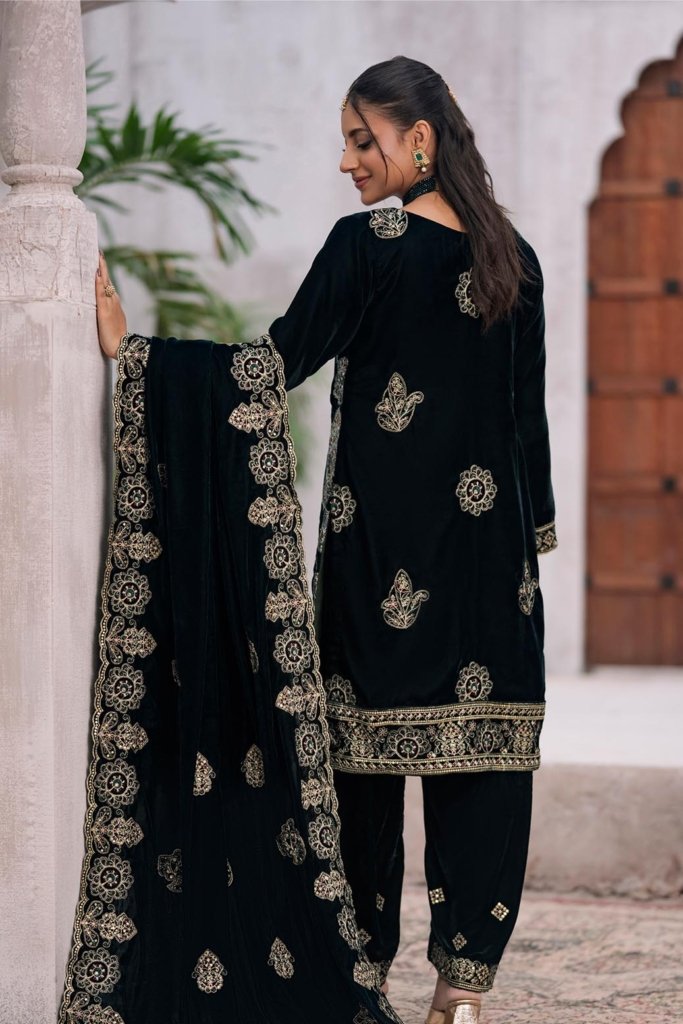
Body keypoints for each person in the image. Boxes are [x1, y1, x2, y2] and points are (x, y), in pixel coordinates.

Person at [64, 55, 556, 1024]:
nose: (346, 161)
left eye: (361, 140)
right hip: (491, 574)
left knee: (359, 783)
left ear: (419, 139)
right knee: (485, 774)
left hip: (377, 563)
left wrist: (139, 354)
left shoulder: (368, 244)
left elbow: (266, 369)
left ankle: (358, 974)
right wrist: (528, 546)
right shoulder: (516, 256)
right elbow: (522, 424)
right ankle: (462, 994)